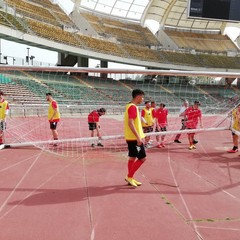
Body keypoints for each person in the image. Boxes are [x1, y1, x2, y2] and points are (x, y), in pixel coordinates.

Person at [124, 89, 146, 188]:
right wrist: (138, 137)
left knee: (132, 157)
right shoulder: (132, 107)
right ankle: (129, 176)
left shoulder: (130, 106)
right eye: (142, 97)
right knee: (142, 158)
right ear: (138, 96)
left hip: (131, 138)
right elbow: (130, 123)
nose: (143, 99)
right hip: (134, 139)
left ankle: (131, 178)